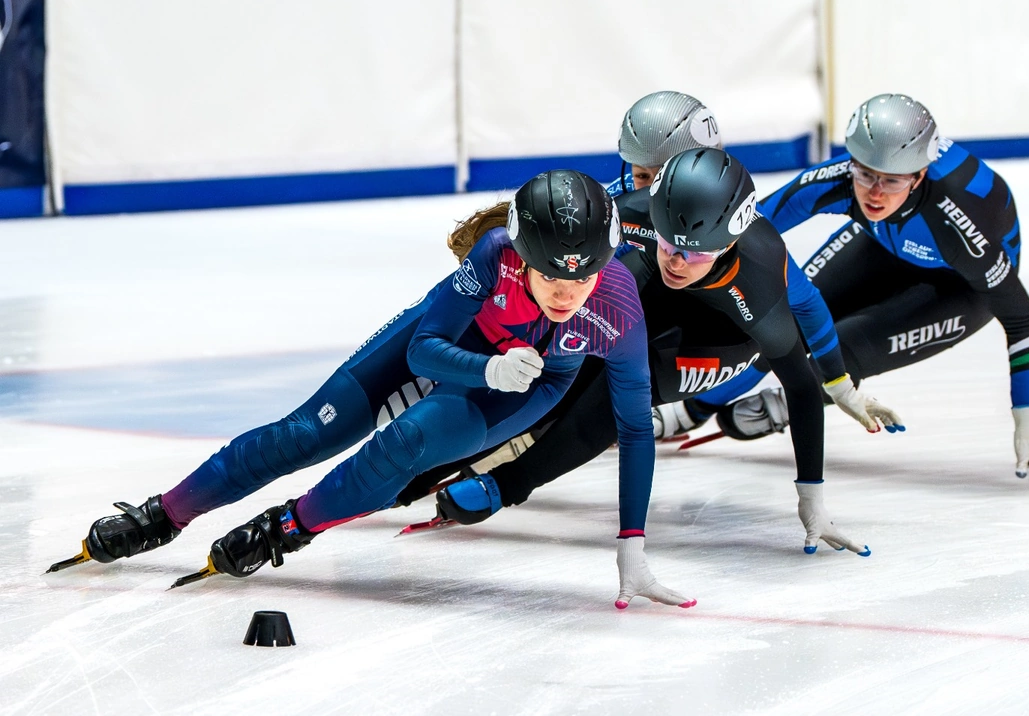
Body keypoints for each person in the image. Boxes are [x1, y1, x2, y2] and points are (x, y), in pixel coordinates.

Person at [48, 170, 694, 609]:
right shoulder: (493, 255)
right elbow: (422, 349)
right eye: (550, 273)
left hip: (523, 388)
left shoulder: (616, 309)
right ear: (521, 252)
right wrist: (487, 367)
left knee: (407, 442)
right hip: (463, 353)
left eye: (582, 279)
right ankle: (163, 513)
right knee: (305, 434)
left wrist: (631, 542)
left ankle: (289, 527)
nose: (565, 292)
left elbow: (635, 426)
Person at [395, 149, 904, 556]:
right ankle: (433, 462)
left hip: (722, 337)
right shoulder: (636, 215)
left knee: (621, 399)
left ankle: (506, 486)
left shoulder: (762, 284)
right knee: (566, 349)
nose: (678, 261)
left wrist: (813, 493)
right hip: (651, 295)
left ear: (728, 244)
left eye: (695, 251)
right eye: (668, 242)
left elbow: (798, 379)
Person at [664, 93, 1029, 485]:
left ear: (920, 175)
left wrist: (1026, 423)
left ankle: (783, 404)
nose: (875, 192)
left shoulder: (959, 224)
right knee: (783, 317)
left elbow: (1022, 321)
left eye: (892, 181)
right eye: (865, 174)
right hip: (883, 244)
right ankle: (693, 409)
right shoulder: (844, 179)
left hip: (961, 287)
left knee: (838, 351)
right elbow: (742, 227)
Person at [607, 90, 722, 197]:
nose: (653, 188)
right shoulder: (615, 200)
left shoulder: (725, 201)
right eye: (642, 176)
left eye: (667, 175)